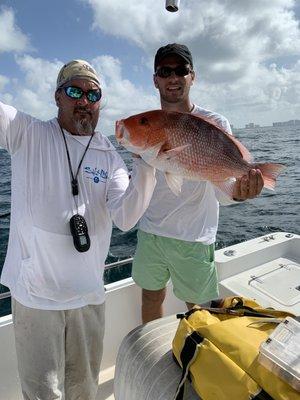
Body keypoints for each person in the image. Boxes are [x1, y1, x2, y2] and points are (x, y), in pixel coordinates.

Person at [0, 59, 156, 399]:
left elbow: (126, 218)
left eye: (93, 94)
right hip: (35, 299)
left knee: (84, 389)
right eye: (75, 91)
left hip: (88, 297)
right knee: (42, 393)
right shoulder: (26, 133)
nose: (84, 100)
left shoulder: (109, 154)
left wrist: (146, 167)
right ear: (58, 97)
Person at [132, 44, 264, 323]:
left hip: (193, 236)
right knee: (150, 296)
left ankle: (200, 359)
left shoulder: (215, 122)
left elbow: (223, 190)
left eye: (181, 70)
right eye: (165, 71)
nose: (173, 77)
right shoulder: (148, 125)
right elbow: (141, 184)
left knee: (200, 309)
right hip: (150, 233)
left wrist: (240, 193)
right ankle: (152, 357)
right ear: (155, 79)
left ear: (193, 76)